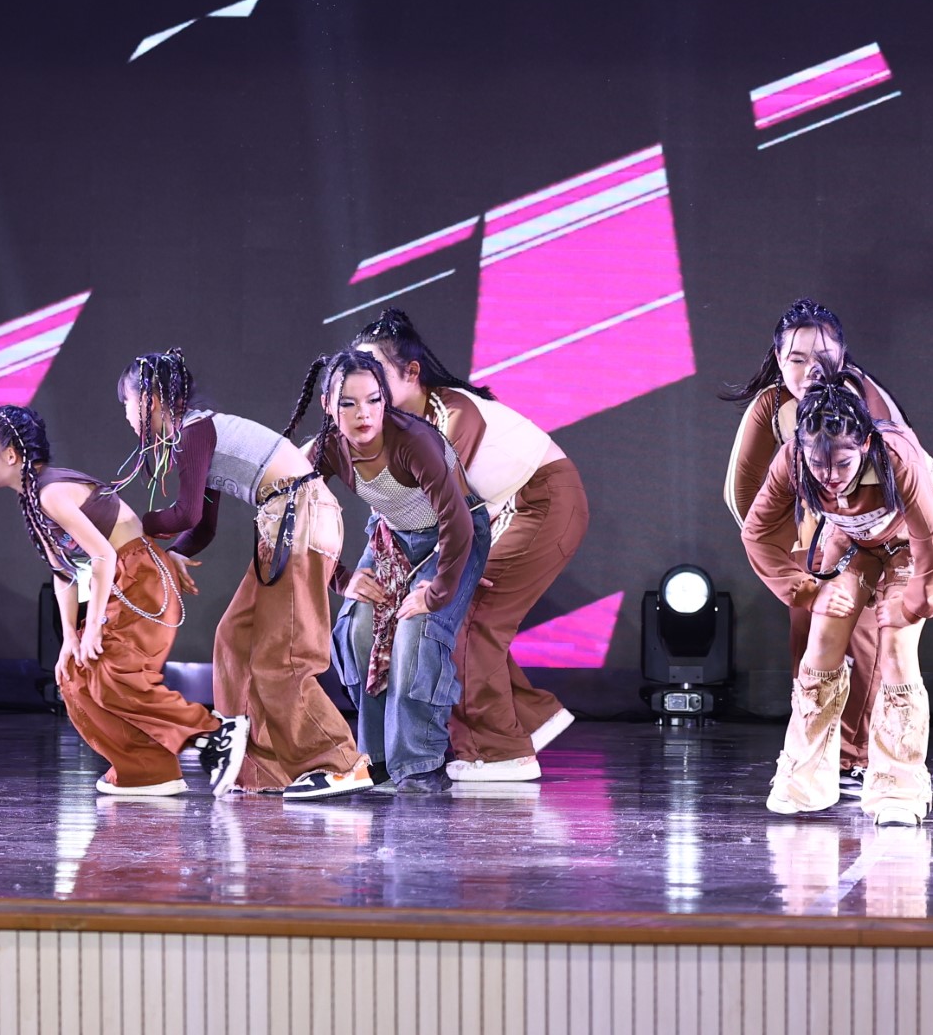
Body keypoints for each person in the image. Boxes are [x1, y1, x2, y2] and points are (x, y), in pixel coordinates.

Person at [119, 349, 371, 799]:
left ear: (149, 401)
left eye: (126, 402)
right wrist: (174, 554)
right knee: (235, 638)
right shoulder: (197, 433)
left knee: (283, 655)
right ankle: (261, 766)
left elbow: (185, 513)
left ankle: (338, 762)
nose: (125, 413)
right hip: (289, 521)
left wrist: (133, 528)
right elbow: (201, 526)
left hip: (298, 517)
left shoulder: (194, 431)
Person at [352, 309, 586, 781]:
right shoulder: (393, 424)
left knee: (461, 616)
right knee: (452, 612)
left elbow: (445, 511)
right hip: (494, 512)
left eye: (377, 377)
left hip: (538, 502)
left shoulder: (452, 414)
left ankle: (497, 752)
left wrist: (451, 575)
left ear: (411, 373)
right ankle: (528, 719)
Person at [0, 404, 248, 797]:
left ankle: (215, 733)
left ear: (11, 455)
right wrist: (70, 638)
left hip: (141, 577)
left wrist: (93, 627)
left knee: (109, 672)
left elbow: (102, 556)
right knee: (73, 675)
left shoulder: (51, 493)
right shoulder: (35, 501)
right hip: (123, 580)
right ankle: (147, 771)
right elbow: (64, 573)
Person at [742, 370, 933, 826]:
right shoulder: (793, 460)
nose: (830, 477)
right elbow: (756, 534)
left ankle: (899, 788)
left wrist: (915, 599)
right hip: (854, 537)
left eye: (842, 464)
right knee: (822, 638)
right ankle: (804, 779)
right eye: (819, 465)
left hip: (910, 541)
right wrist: (807, 591)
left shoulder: (896, 456)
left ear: (863, 444)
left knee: (895, 645)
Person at [722, 298, 905, 795]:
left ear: (842, 356)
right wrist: (788, 554)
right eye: (797, 358)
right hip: (813, 547)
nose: (810, 369)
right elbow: (742, 491)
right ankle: (814, 755)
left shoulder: (864, 401)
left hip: (877, 540)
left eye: (822, 357)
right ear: (779, 360)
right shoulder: (772, 406)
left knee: (864, 640)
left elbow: (908, 480)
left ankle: (855, 756)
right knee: (809, 644)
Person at [286, 349, 489, 793]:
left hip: (453, 539)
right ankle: (377, 759)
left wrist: (435, 593)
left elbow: (456, 524)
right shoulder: (325, 449)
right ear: (328, 405)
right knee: (359, 627)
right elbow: (293, 518)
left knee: (416, 632)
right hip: (392, 538)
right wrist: (340, 578)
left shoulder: (412, 441)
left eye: (374, 400)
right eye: (349, 403)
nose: (364, 414)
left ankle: (419, 765)